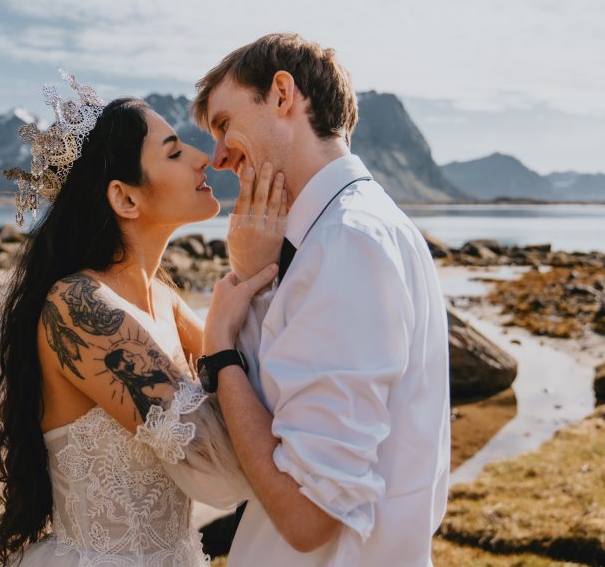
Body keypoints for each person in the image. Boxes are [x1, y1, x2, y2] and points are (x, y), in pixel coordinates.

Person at [0, 72, 277, 566]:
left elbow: (254, 392)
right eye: (175, 152)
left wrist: (251, 267)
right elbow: (220, 466)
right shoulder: (76, 304)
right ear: (125, 198)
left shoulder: (163, 299)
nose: (203, 157)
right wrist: (221, 332)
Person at [191, 33, 451, 565]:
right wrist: (253, 273)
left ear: (283, 94)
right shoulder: (347, 232)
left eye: (223, 125)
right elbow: (282, 415)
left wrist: (219, 352)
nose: (217, 157)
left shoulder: (347, 243)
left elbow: (308, 515)